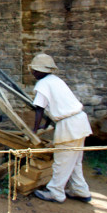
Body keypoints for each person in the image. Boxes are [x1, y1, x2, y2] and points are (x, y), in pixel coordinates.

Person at [29, 53, 93, 204]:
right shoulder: (56, 80)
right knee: (75, 160)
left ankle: (55, 192)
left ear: (40, 71)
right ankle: (80, 190)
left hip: (69, 125)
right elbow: (54, 106)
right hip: (79, 121)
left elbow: (39, 109)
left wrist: (34, 130)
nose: (32, 73)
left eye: (34, 70)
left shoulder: (43, 84)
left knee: (62, 161)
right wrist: (46, 125)